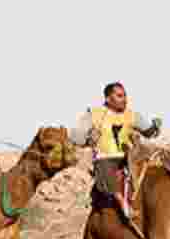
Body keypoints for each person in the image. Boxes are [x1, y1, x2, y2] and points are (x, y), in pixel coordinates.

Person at [69, 82, 161, 219]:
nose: (124, 99)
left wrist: (155, 127)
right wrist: (89, 140)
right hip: (104, 158)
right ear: (107, 98)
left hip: (128, 157)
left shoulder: (132, 115)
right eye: (119, 96)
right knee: (106, 172)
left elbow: (149, 133)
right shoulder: (94, 115)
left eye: (125, 95)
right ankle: (123, 205)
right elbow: (75, 137)